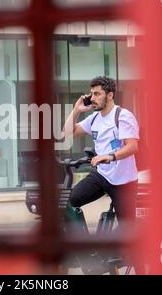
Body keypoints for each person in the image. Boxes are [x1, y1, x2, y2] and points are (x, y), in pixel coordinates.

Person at [62, 76, 139, 228]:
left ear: (110, 95)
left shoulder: (122, 116)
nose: (92, 98)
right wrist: (77, 109)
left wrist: (110, 157)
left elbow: (132, 147)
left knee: (128, 228)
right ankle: (84, 244)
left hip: (124, 181)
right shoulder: (94, 118)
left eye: (97, 94)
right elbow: (67, 132)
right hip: (102, 175)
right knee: (70, 201)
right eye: (92, 94)